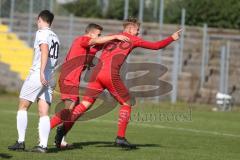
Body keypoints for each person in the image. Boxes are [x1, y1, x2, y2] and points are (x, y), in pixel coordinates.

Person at [55, 18, 182, 149]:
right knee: (127, 102)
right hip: (109, 74)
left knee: (85, 104)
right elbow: (156, 46)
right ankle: (120, 138)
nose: (138, 33)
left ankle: (62, 130)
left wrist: (85, 61)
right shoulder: (132, 39)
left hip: (95, 74)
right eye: (137, 30)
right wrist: (172, 37)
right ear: (131, 29)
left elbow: (93, 49)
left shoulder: (109, 37)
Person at [50, 23, 129, 148]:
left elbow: (99, 46)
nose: (99, 36)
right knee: (67, 111)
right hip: (68, 79)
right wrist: (117, 36)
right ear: (91, 34)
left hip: (72, 79)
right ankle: (44, 130)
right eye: (98, 34)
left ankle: (60, 139)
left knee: (72, 111)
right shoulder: (82, 39)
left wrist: (121, 38)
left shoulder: (90, 47)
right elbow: (97, 42)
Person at [8, 10, 60, 153]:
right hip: (51, 76)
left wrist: (41, 72)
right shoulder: (55, 36)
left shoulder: (41, 32)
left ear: (39, 20)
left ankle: (20, 141)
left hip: (39, 73)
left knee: (23, 106)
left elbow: (44, 50)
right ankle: (42, 145)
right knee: (44, 112)